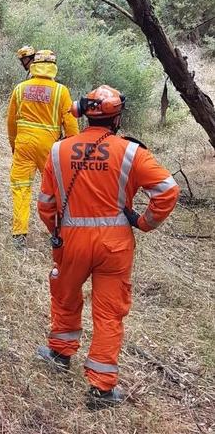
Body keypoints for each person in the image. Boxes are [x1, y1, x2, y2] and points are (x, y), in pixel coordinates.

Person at [36, 85, 179, 409]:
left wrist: (57, 231)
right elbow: (168, 191)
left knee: (65, 296)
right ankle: (101, 389)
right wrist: (144, 222)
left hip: (71, 241)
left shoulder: (58, 151)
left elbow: (45, 204)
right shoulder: (132, 152)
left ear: (84, 114)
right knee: (110, 312)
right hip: (115, 246)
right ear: (117, 118)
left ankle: (60, 354)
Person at [6, 49, 79, 249]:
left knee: (21, 188)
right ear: (53, 67)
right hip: (49, 148)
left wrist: (14, 145)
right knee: (55, 191)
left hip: (24, 144)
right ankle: (56, 234)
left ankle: (19, 236)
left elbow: (11, 122)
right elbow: (71, 127)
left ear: (34, 65)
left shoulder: (20, 89)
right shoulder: (61, 91)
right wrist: (69, 153)